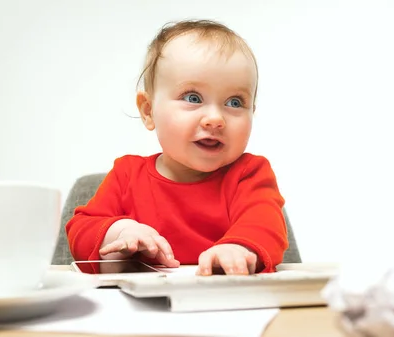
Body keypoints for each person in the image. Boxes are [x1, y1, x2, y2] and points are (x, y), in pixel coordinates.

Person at [66, 19, 288, 276]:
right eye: (193, 98)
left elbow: (265, 224)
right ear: (148, 111)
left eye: (235, 102)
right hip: (143, 307)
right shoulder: (127, 174)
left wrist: (239, 248)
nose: (215, 119)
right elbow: (80, 230)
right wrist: (121, 232)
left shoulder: (250, 174)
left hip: (227, 302)